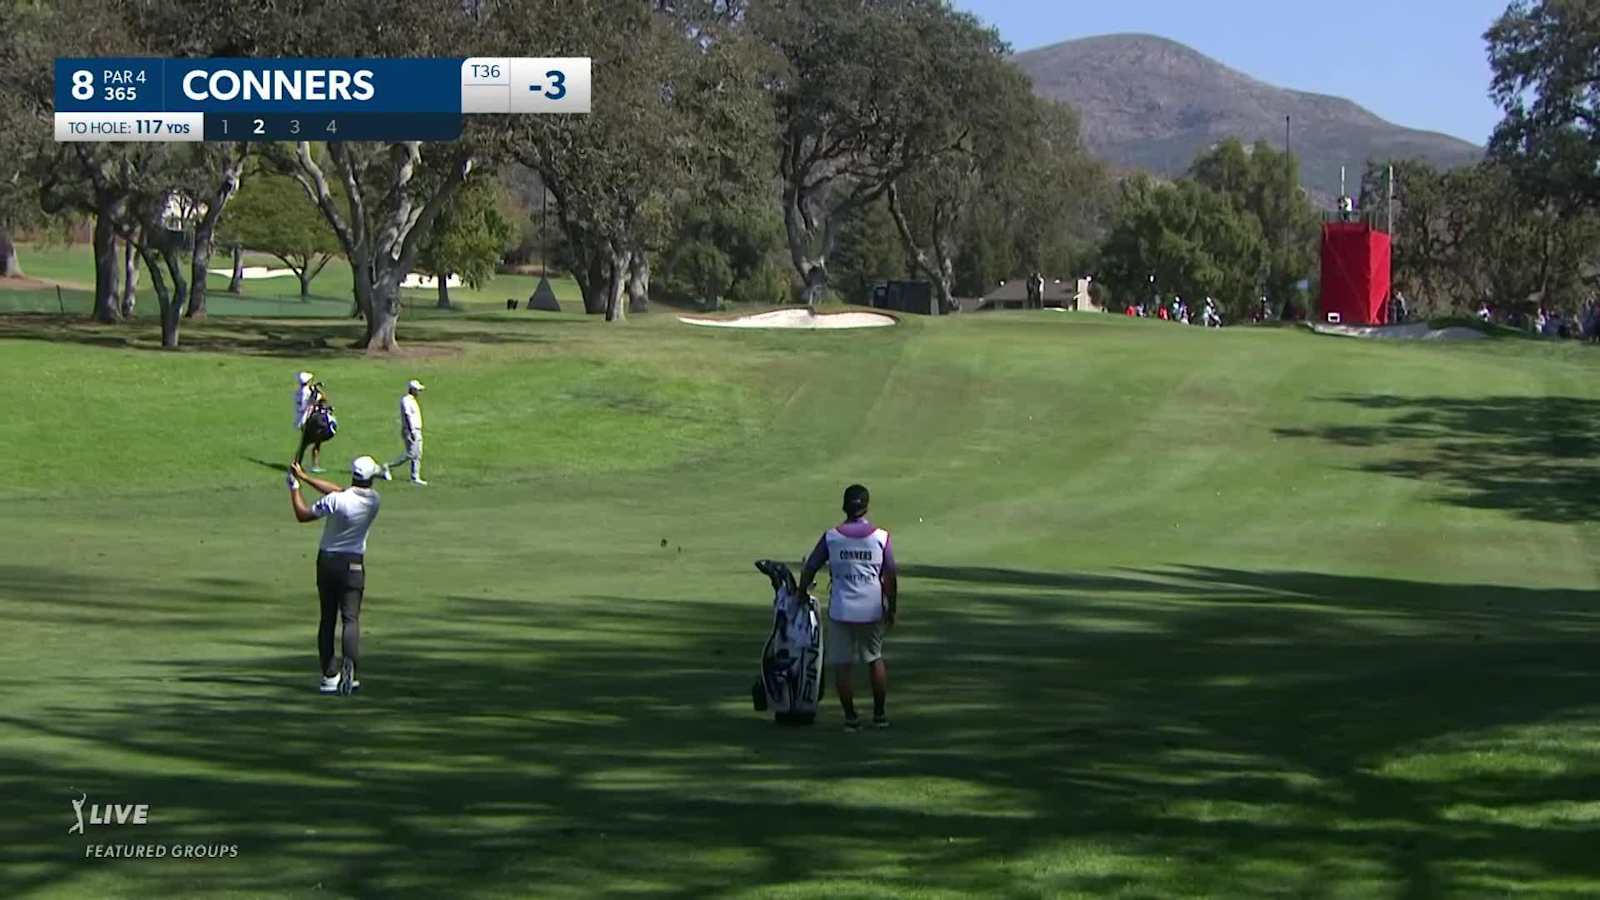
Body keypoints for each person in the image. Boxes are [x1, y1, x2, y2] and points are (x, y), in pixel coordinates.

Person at [798, 484, 899, 732]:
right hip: (872, 608)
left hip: (842, 610)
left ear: (845, 506)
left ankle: (851, 718)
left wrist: (801, 593)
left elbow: (810, 567)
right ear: (866, 506)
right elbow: (890, 577)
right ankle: (879, 716)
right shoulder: (881, 537)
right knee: (874, 659)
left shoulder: (832, 537)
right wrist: (892, 608)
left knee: (843, 664)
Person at [288, 455, 386, 695]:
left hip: (328, 562)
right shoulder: (374, 500)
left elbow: (302, 514)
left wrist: (294, 487)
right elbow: (341, 492)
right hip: (353, 564)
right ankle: (350, 669)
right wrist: (305, 476)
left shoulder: (337, 501)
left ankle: (329, 675)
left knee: (328, 618)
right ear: (370, 479)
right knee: (350, 618)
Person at [387, 379, 427, 486]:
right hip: (410, 430)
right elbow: (408, 416)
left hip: (416, 430)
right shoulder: (406, 400)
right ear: (412, 390)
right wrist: (412, 430)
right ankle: (388, 466)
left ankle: (415, 477)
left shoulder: (412, 400)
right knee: (411, 454)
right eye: (417, 390)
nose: (419, 392)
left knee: (418, 454)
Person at [293, 372, 325, 473]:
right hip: (310, 420)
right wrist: (317, 390)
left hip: (300, 419)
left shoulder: (298, 392)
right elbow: (323, 398)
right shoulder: (309, 392)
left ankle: (298, 463)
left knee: (305, 443)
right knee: (314, 442)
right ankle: (303, 464)